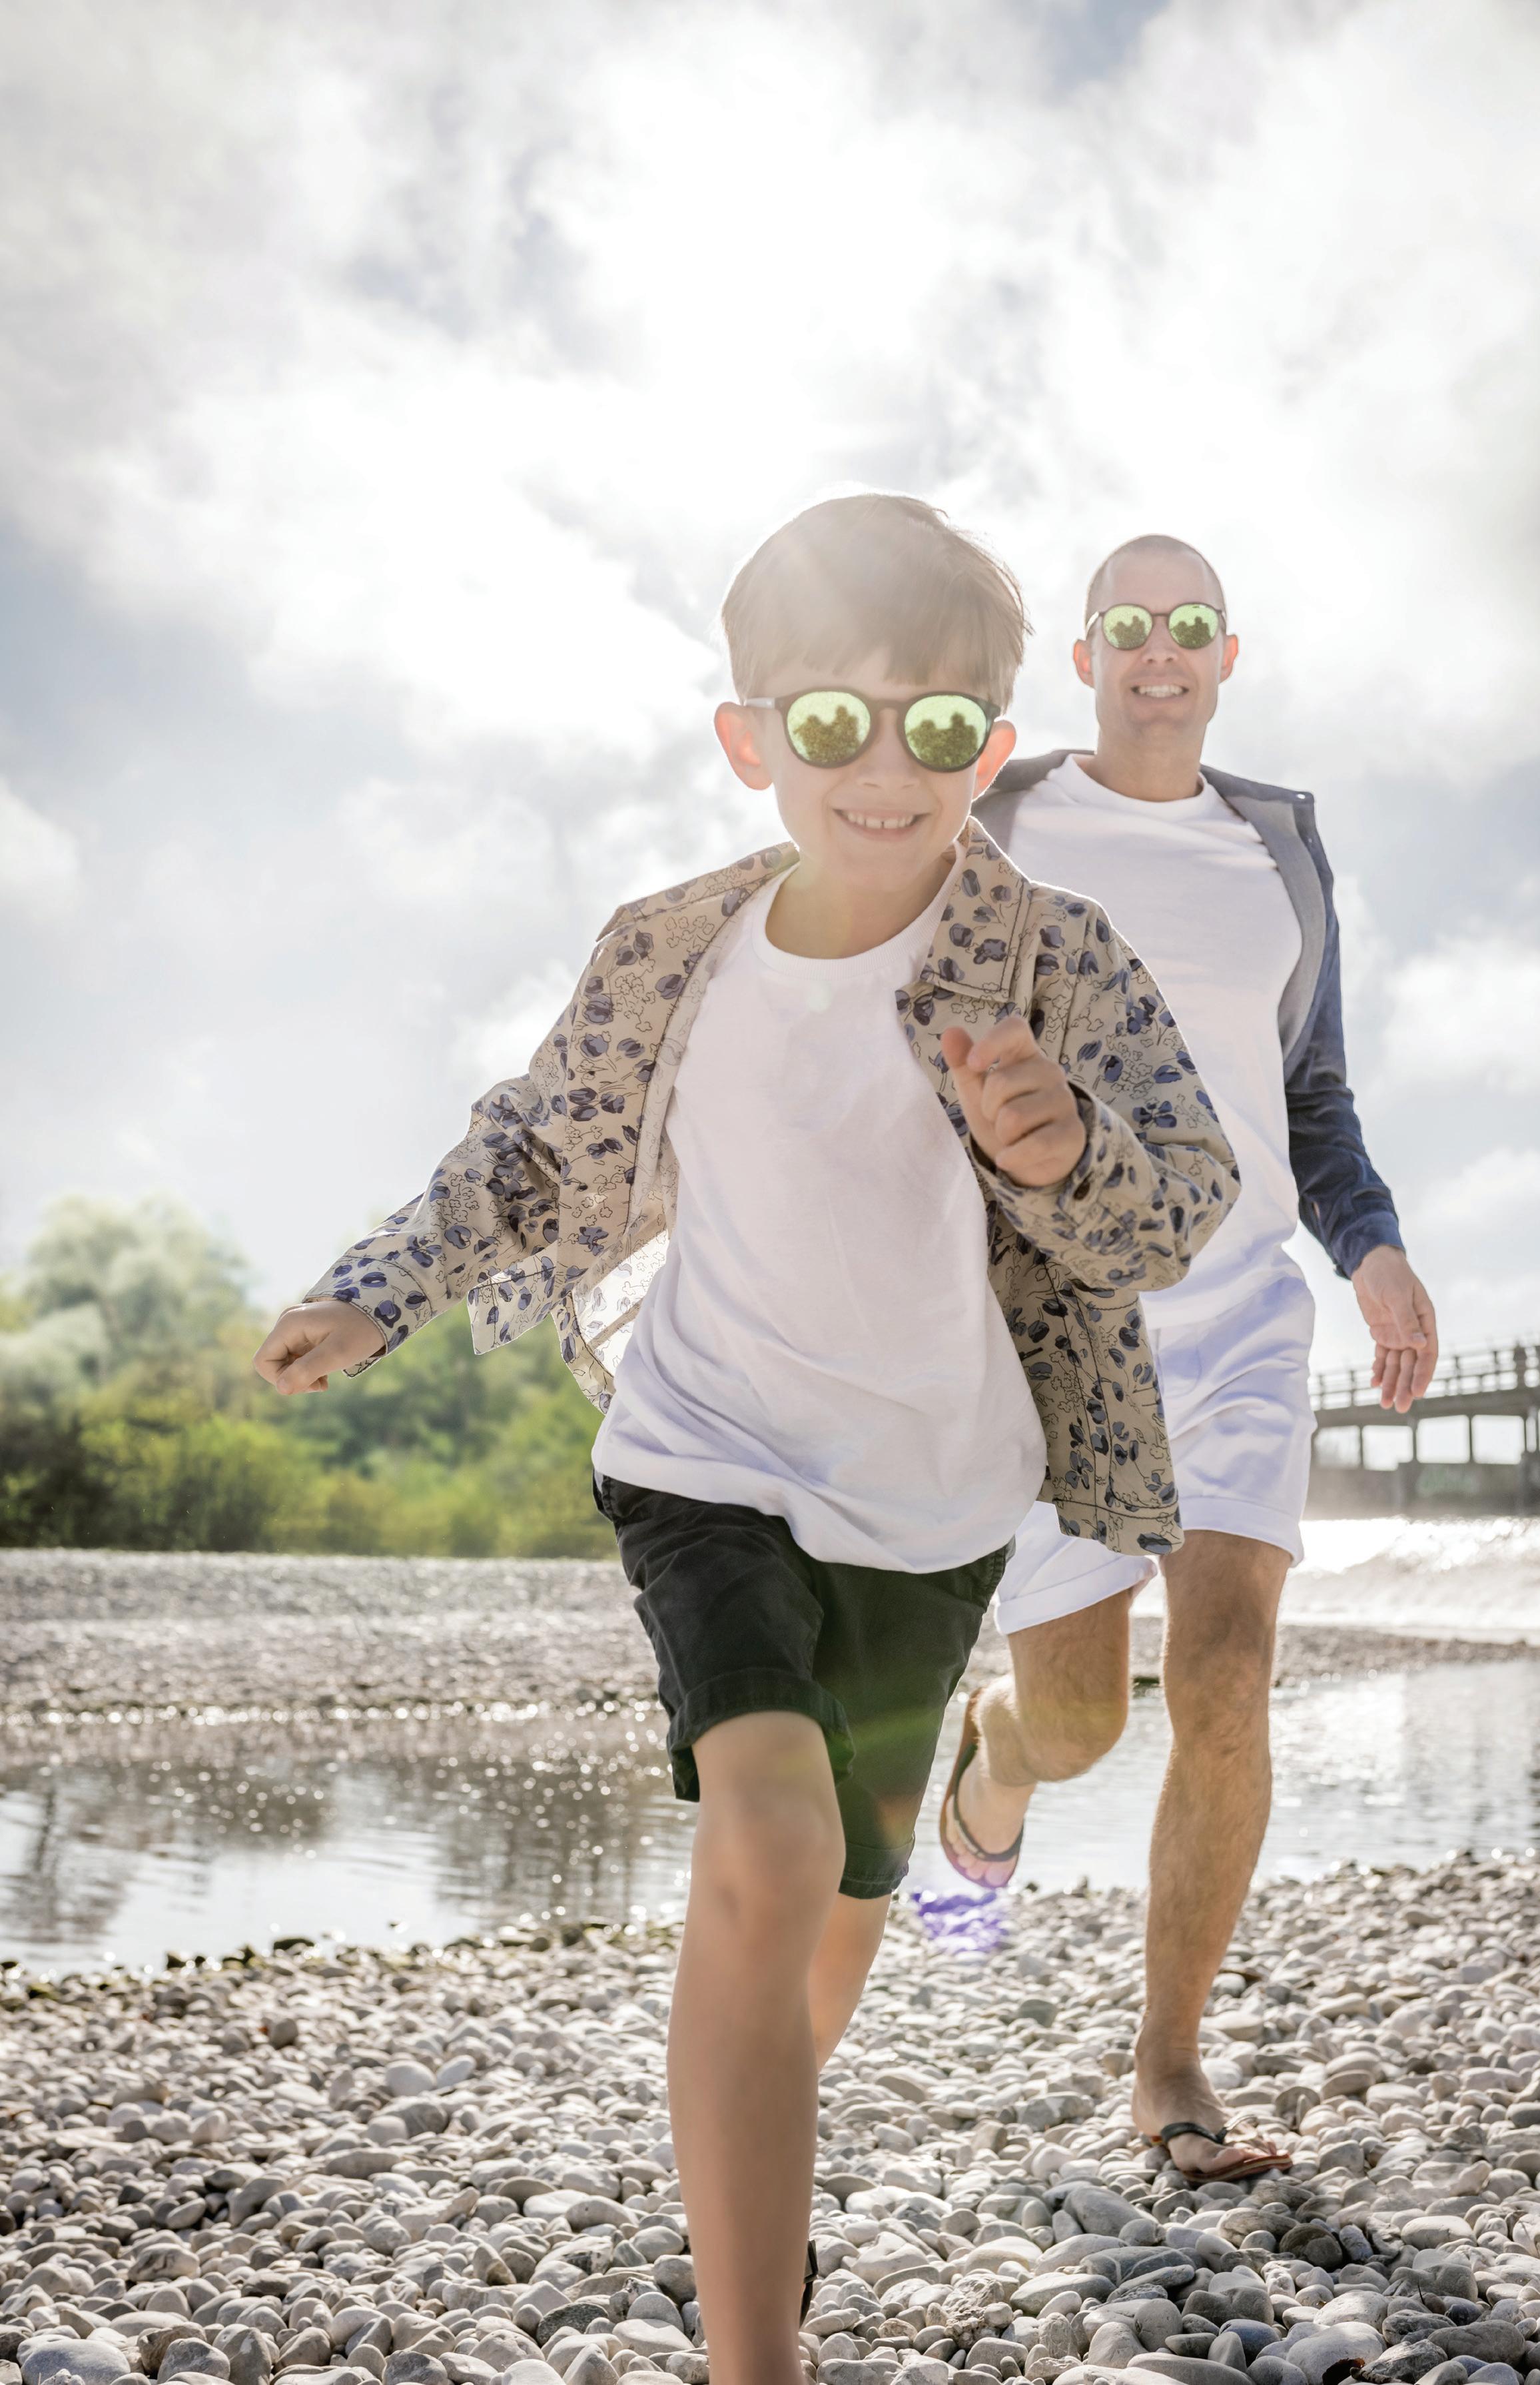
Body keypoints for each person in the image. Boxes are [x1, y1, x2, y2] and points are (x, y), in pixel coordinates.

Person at [254, 495, 1239, 2385]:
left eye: (935, 728)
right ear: (748, 738)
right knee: (770, 1844)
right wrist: (381, 1288)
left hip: (934, 1506)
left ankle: (749, 2166)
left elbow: (1177, 1199)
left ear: (990, 746)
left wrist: (1064, 1153)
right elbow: (531, 1144)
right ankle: (752, 2352)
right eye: (832, 722)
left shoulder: (1055, 958)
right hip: (704, 1456)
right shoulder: (673, 954)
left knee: (846, 1906)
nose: (885, 769)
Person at [939, 532, 1438, 2184]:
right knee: (1079, 1720)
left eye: (1192, 624)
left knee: (1225, 1671)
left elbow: (1312, 1096)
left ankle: (1168, 2064)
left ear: (1229, 656)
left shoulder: (1276, 855)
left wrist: (1371, 1249)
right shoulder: (1001, 822)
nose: (1162, 649)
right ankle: (993, 1755)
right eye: (1131, 624)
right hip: (1063, 1318)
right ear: (1086, 657)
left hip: (1239, 1314)